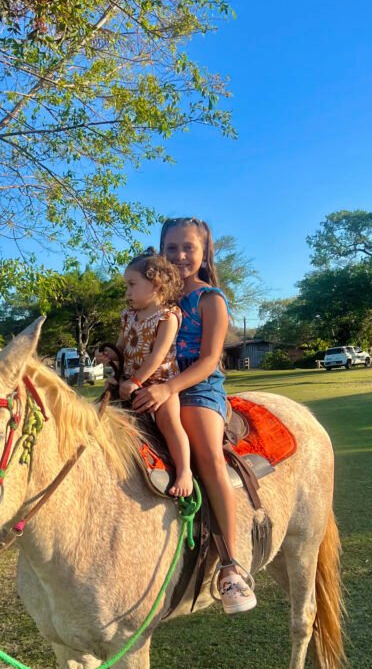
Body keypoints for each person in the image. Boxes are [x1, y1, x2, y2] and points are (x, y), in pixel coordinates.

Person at [132, 218, 257, 615]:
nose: (180, 256)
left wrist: (168, 388)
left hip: (197, 384)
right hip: (155, 379)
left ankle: (231, 565)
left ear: (204, 253)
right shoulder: (154, 296)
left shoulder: (210, 299)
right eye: (172, 248)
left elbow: (208, 360)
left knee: (207, 454)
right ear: (161, 252)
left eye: (189, 248)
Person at [98, 250, 193, 498]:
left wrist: (137, 380)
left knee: (169, 422)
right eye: (126, 286)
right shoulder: (129, 316)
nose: (127, 292)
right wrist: (109, 354)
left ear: (156, 284)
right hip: (128, 382)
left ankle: (184, 471)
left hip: (159, 383)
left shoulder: (167, 317)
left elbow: (157, 356)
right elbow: (121, 347)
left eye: (132, 285)